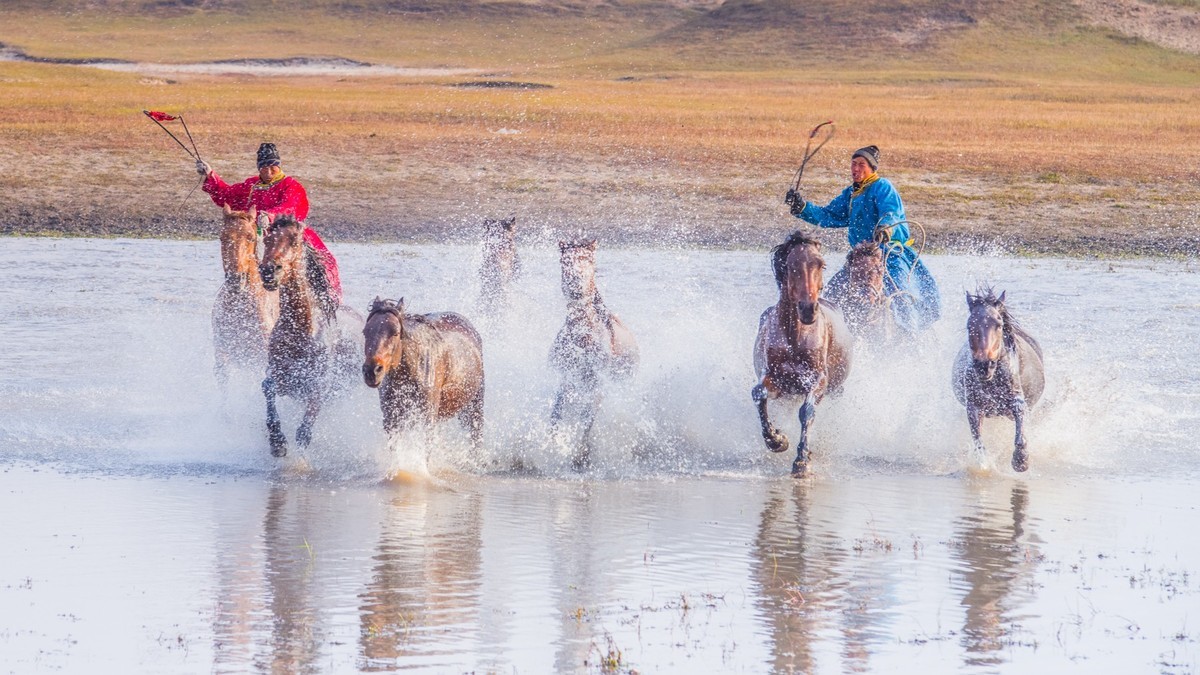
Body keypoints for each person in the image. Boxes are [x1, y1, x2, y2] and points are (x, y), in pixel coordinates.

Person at [784, 144, 940, 334]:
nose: (855, 169)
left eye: (861, 164)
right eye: (853, 164)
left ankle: (912, 336)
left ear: (872, 168)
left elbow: (892, 213)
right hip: (859, 257)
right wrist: (802, 207)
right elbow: (828, 215)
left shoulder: (882, 187)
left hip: (888, 254)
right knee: (832, 293)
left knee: (900, 295)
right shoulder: (850, 193)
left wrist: (885, 229)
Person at [197, 143, 342, 305]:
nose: (268, 171)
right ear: (259, 168)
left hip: (284, 235)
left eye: (273, 167)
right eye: (264, 167)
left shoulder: (291, 185)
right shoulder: (252, 185)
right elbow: (227, 196)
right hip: (256, 232)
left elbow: (291, 206)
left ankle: (325, 300)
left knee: (321, 261)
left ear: (278, 165)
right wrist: (210, 175)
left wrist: (271, 216)